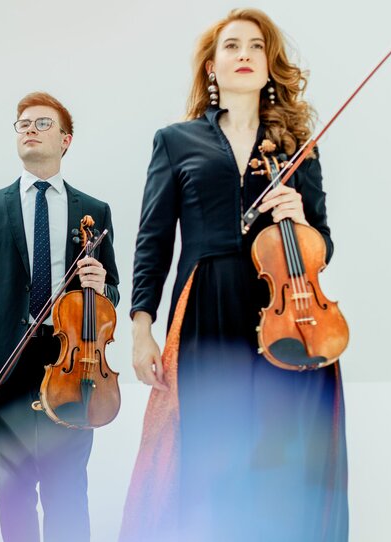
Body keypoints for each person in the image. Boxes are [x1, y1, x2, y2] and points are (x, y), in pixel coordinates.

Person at [121, 8, 348, 541]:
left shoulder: (297, 147)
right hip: (206, 305)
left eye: (254, 46)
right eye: (231, 46)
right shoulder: (176, 141)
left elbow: (324, 247)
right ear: (211, 68)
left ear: (270, 67)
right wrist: (140, 328)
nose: (243, 54)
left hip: (288, 313)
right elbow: (153, 240)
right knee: (211, 450)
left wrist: (299, 218)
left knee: (283, 459)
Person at [0, 91, 119, 542]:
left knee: (68, 490)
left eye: (42, 123)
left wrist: (101, 284)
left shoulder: (94, 211)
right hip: (7, 362)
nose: (29, 129)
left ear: (65, 140)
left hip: (75, 363)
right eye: (22, 123)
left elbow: (112, 295)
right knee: (13, 489)